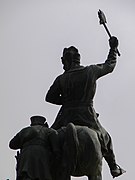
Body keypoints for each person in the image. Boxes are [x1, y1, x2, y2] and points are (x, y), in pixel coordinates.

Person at [45, 36, 125, 178]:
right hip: (88, 116)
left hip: (65, 117)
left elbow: (49, 97)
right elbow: (109, 65)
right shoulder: (91, 71)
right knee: (106, 138)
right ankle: (113, 167)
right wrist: (113, 49)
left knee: (47, 140)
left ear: (67, 61)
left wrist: (66, 101)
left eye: (63, 62)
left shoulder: (61, 78)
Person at [9, 116, 60, 180]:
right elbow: (56, 149)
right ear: (44, 123)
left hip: (25, 155)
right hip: (41, 155)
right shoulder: (49, 131)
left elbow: (12, 145)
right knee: (42, 175)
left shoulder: (24, 130)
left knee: (26, 175)